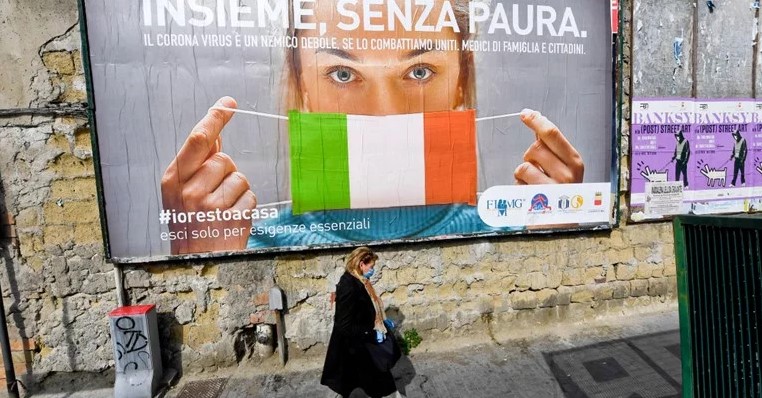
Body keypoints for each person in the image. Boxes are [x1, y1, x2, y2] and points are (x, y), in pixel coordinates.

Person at [161, 0, 585, 255]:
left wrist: (558, 235)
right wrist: (197, 258)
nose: (383, 114)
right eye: (342, 74)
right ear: (302, 86)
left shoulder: (517, 226)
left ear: (460, 82)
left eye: (419, 71)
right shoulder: (241, 243)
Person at [321, 246, 399, 398]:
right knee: (369, 382)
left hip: (362, 342)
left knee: (372, 383)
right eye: (371, 266)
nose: (373, 270)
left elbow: (368, 305)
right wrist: (371, 332)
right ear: (361, 264)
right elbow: (343, 325)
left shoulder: (361, 280)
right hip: (354, 346)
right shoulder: (348, 285)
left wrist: (382, 321)